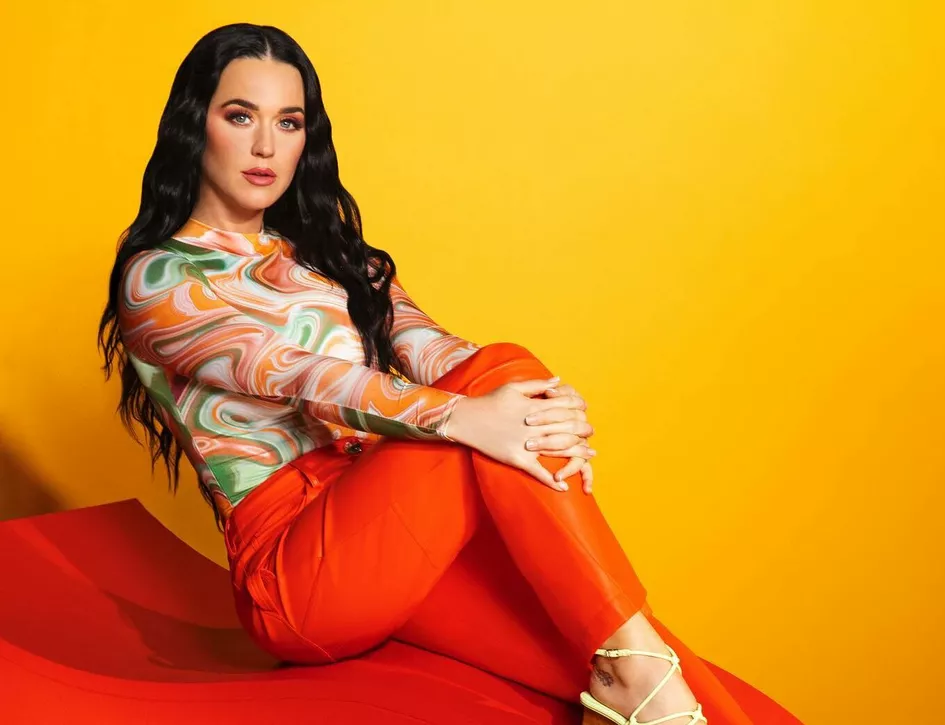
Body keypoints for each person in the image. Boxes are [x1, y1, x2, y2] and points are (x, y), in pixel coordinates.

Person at [98, 23, 759, 725]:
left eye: (288, 123)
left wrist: (542, 404)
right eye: (240, 116)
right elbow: (303, 376)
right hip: (296, 575)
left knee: (619, 650)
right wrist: (473, 413)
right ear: (194, 125)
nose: (266, 146)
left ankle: (657, 696)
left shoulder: (333, 255)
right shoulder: (157, 278)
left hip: (388, 526)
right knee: (503, 381)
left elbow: (442, 353)